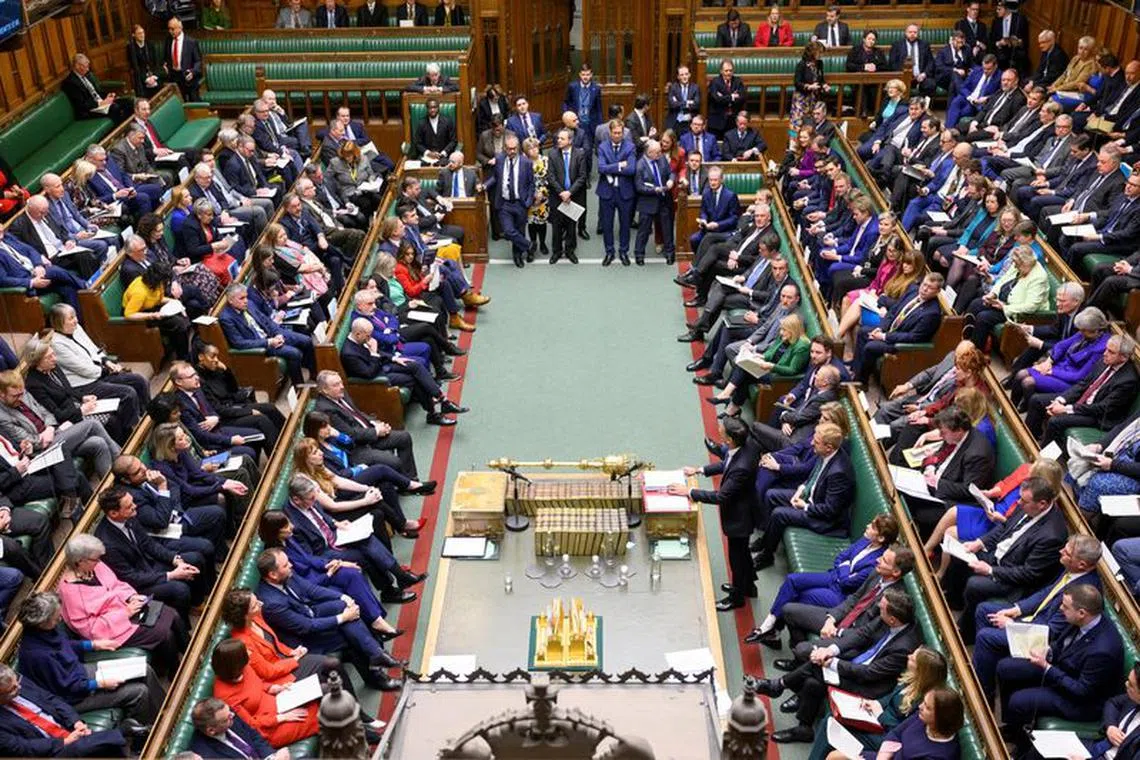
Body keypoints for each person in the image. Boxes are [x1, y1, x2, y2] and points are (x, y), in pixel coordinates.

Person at [751, 587, 921, 744]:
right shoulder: (889, 619)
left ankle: (779, 686)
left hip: (869, 686)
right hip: (858, 663)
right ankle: (803, 728)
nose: (878, 608)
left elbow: (868, 673)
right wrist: (830, 651)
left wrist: (833, 662)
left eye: (882, 608)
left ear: (892, 620)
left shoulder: (903, 647)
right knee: (813, 681)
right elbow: (862, 634)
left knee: (816, 668)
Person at [971, 534, 1103, 701]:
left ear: (1082, 564)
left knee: (985, 637)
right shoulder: (1073, 569)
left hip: (1041, 636)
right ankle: (985, 670)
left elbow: (1052, 632)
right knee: (984, 610)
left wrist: (1012, 626)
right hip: (1033, 619)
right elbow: (1047, 593)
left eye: (1067, 552)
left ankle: (983, 695)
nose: (1061, 551)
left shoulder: (1083, 593)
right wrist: (1016, 610)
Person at [254, 547, 403, 690]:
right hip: (304, 638)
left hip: (311, 612)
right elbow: (307, 626)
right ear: (273, 575)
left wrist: (343, 597)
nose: (291, 565)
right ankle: (377, 669)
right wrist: (343, 617)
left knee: (346, 608)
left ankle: (376, 654)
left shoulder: (285, 575)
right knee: (351, 635)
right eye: (286, 565)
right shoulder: (272, 603)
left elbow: (311, 590)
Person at [997, 585, 1122, 751]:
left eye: (1065, 606)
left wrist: (1047, 668)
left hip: (1082, 702)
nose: (1061, 608)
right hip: (1063, 669)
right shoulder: (1081, 619)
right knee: (1006, 668)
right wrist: (1048, 651)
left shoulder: (1103, 650)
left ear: (1082, 613)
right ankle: (1013, 726)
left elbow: (1082, 691)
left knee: (1018, 701)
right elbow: (1062, 643)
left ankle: (1022, 746)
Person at [746, 514, 899, 649]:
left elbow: (848, 583)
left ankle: (780, 638)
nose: (867, 526)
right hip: (832, 576)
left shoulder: (877, 561)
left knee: (800, 597)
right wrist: (846, 567)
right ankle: (768, 627)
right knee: (792, 580)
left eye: (872, 526)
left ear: (881, 538)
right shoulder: (866, 540)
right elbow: (841, 556)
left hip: (840, 594)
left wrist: (844, 566)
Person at [17, 592, 159, 727]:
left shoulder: (45, 631)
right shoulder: (37, 656)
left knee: (144, 668)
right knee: (139, 692)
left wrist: (94, 644)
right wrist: (100, 684)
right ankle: (148, 731)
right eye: (56, 618)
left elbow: (63, 645)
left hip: (78, 674)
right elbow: (66, 687)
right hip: (72, 697)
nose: (59, 619)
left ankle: (163, 710)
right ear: (42, 623)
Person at [57, 534, 188, 673]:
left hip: (129, 608)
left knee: (173, 615)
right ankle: (177, 672)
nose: (99, 562)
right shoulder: (70, 592)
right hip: (113, 629)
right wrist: (124, 613)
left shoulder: (95, 566)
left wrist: (131, 597)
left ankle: (190, 654)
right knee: (165, 634)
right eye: (95, 559)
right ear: (80, 561)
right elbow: (89, 628)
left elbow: (116, 584)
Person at [669, 417, 759, 612]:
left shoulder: (742, 467)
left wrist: (689, 492)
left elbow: (721, 496)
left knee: (736, 558)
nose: (719, 429)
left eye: (722, 430)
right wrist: (699, 470)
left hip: (740, 518)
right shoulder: (747, 447)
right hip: (745, 509)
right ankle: (748, 586)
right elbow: (727, 463)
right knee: (742, 552)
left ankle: (737, 597)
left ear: (729, 440)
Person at [93, 487, 207, 621]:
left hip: (148, 564)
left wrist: (175, 560)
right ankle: (183, 624)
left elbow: (149, 544)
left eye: (132, 502)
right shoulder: (107, 544)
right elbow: (130, 577)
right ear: (113, 513)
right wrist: (171, 575)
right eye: (129, 506)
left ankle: (196, 604)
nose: (135, 506)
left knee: (195, 558)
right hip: (136, 584)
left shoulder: (128, 516)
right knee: (180, 590)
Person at [752, 422, 853, 571]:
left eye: (816, 442)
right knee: (771, 495)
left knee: (779, 514)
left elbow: (830, 510)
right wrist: (801, 489)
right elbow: (814, 477)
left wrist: (804, 506)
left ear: (828, 447)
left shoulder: (839, 473)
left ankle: (767, 555)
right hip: (811, 496)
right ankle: (767, 539)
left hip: (824, 518)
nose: (811, 443)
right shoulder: (825, 453)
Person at [221, 588, 358, 693]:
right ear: (244, 615)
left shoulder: (256, 618)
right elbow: (267, 671)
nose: (261, 604)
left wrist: (292, 652)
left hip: (286, 660)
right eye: (255, 605)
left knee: (332, 665)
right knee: (331, 667)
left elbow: (275, 643)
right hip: (279, 676)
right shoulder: (242, 642)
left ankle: (357, 712)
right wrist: (294, 660)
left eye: (257, 600)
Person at [0, 369, 120, 481]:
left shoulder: (24, 394)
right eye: (15, 396)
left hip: (54, 433)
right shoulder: (2, 416)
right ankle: (122, 462)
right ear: (2, 394)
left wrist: (50, 428)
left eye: (21, 394)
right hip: (41, 450)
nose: (20, 398)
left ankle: (112, 484)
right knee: (93, 424)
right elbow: (29, 441)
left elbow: (46, 413)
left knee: (98, 443)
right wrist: (47, 435)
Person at [1025, 334, 1140, 448]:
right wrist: (1061, 400)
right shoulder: (1104, 361)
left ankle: (1042, 454)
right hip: (1083, 403)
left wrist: (1066, 409)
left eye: (1111, 352)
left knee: (1055, 421)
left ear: (1124, 357)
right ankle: (1028, 441)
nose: (1105, 353)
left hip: (1098, 416)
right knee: (1036, 400)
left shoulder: (1128, 380)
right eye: (1106, 349)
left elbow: (1102, 408)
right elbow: (1083, 384)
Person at [21, 337, 137, 446]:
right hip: (68, 419)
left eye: (53, 354)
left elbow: (68, 390)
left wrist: (82, 397)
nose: (54, 359)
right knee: (112, 421)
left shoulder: (53, 367)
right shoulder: (34, 384)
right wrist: (81, 410)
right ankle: (121, 453)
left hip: (77, 405)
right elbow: (57, 414)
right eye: (49, 357)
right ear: (37, 361)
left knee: (119, 409)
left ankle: (130, 447)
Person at [0, 663, 129, 758]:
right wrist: (64, 742)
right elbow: (22, 747)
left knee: (101, 745)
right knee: (82, 746)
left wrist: (76, 722)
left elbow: (51, 699)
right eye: (12, 689)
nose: (19, 687)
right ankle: (123, 732)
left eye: (17, 683)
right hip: (47, 751)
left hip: (66, 730)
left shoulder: (19, 682)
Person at [210, 639, 318, 748]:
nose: (249, 653)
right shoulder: (225, 696)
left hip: (278, 702)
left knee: (318, 693)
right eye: (245, 652)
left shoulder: (243, 667)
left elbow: (258, 684)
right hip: (268, 728)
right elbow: (251, 725)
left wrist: (275, 688)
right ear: (236, 663)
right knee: (316, 714)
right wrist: (282, 717)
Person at [314, 370, 420, 476]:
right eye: (336, 385)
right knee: (394, 462)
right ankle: (404, 482)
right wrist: (376, 432)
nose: (342, 387)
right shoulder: (325, 409)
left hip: (366, 434)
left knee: (404, 437)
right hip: (355, 448)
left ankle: (411, 478)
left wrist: (375, 423)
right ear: (325, 390)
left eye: (341, 382)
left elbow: (357, 413)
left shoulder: (340, 393)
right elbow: (350, 434)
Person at [851, 272, 945, 383]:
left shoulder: (932, 313)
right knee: (863, 331)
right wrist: (881, 328)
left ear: (937, 291)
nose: (924, 289)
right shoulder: (913, 291)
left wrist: (884, 336)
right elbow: (893, 311)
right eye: (924, 284)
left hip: (899, 343)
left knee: (870, 346)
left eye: (930, 288)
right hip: (889, 330)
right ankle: (855, 371)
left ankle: (861, 381)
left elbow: (913, 337)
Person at [219, 283, 316, 387]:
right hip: (261, 344)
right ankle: (299, 386)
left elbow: (267, 321)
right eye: (241, 298)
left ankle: (314, 374)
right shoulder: (226, 318)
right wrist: (269, 342)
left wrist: (278, 333)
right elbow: (239, 343)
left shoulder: (249, 304)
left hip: (272, 334)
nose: (246, 300)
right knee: (294, 353)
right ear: (230, 300)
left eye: (246, 297)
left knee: (307, 340)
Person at [0, 224, 86, 315]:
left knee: (68, 288)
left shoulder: (7, 238)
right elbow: (3, 280)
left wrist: (38, 265)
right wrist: (31, 282)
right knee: (53, 271)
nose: (1, 229)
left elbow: (30, 250)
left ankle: (78, 322)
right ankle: (86, 286)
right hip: (26, 285)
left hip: (36, 272)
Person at [188, 698, 287, 760]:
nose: (233, 715)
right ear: (211, 731)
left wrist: (270, 756)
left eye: (230, 712)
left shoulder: (226, 713)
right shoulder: (206, 754)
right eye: (227, 718)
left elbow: (253, 735)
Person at [546, 128, 588, 265]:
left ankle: (570, 251)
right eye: (558, 138)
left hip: (574, 196)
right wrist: (562, 193)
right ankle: (556, 252)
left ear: (570, 141)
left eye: (562, 139)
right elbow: (550, 176)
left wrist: (569, 192)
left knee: (571, 226)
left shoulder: (580, 154)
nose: (558, 140)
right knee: (556, 226)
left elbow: (582, 176)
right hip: (557, 196)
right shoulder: (552, 154)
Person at [633, 140, 676, 265]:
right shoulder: (640, 166)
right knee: (644, 230)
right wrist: (654, 190)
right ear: (649, 153)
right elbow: (639, 187)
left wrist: (671, 180)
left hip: (663, 200)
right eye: (657, 152)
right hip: (648, 202)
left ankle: (669, 252)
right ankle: (639, 254)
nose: (660, 154)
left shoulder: (661, 159)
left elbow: (671, 172)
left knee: (667, 228)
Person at [61, 53, 130, 122]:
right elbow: (81, 105)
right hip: (88, 111)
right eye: (86, 67)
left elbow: (96, 92)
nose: (88, 69)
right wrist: (100, 103)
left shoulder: (87, 75)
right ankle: (120, 127)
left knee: (128, 102)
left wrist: (108, 96)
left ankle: (128, 126)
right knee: (115, 108)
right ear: (77, 66)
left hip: (100, 103)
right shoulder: (70, 82)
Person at [562, 64, 603, 150]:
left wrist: (599, 125)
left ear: (591, 75)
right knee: (575, 148)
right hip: (576, 123)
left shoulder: (596, 88)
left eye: (588, 74)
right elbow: (566, 102)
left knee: (588, 148)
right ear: (580, 75)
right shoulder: (573, 87)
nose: (585, 77)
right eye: (583, 74)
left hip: (590, 124)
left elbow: (599, 108)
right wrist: (566, 115)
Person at [890, 25, 936, 96]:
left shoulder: (924, 45)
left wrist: (924, 74)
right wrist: (904, 74)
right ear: (905, 33)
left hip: (921, 77)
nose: (912, 34)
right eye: (910, 32)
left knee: (930, 84)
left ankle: (922, 102)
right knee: (896, 85)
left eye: (915, 32)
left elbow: (930, 62)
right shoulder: (897, 45)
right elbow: (893, 63)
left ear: (918, 33)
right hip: (903, 77)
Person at [163, 18, 202, 101]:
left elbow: (198, 61)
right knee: (178, 102)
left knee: (193, 102)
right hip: (174, 77)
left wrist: (193, 71)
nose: (170, 31)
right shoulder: (168, 41)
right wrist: (165, 66)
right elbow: (166, 58)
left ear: (180, 28)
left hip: (188, 77)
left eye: (172, 29)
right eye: (169, 29)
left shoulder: (191, 42)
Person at [708, 59, 745, 139]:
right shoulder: (715, 82)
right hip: (717, 122)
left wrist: (723, 97)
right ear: (721, 71)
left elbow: (742, 98)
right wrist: (732, 96)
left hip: (732, 121)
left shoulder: (738, 81)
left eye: (730, 70)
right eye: (726, 71)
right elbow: (716, 99)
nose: (729, 73)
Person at [126, 25, 161, 98]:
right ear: (133, 35)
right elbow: (135, 66)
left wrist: (154, 76)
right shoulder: (131, 48)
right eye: (139, 33)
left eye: (143, 33)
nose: (142, 35)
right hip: (141, 79)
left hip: (154, 76)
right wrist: (146, 79)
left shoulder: (150, 44)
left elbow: (156, 62)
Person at [665, 65, 701, 135]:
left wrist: (678, 102)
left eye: (686, 74)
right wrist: (687, 102)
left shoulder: (695, 88)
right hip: (675, 121)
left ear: (689, 75)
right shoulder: (673, 88)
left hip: (689, 122)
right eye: (682, 75)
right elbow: (672, 104)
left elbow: (696, 105)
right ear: (678, 77)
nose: (684, 77)